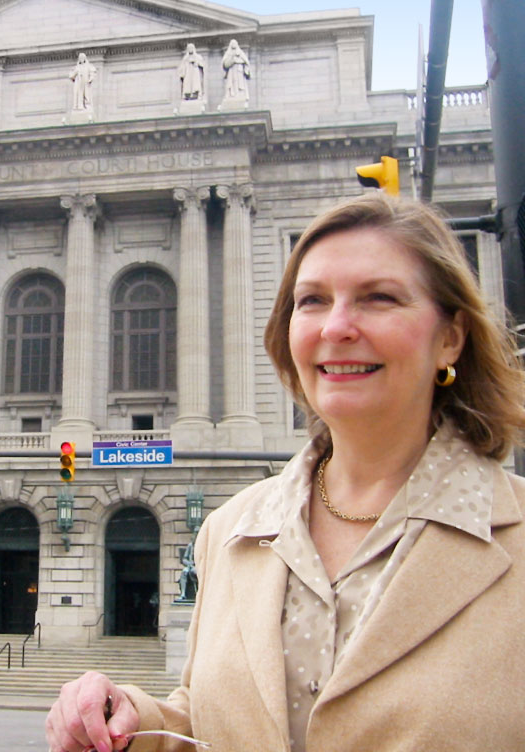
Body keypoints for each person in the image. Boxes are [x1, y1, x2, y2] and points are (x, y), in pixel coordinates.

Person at [45, 193, 525, 752]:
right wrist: (135, 722)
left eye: (379, 298)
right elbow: (214, 722)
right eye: (313, 300)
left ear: (451, 337)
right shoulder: (229, 532)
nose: (337, 326)